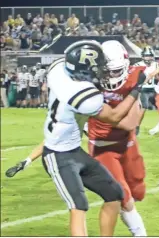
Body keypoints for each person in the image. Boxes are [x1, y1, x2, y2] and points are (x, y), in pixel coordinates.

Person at [6, 40, 142, 236]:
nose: (100, 72)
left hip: (73, 150)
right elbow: (116, 117)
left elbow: (55, 137)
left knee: (115, 193)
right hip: (58, 157)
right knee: (79, 205)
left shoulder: (59, 71)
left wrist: (27, 159)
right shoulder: (83, 95)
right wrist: (136, 89)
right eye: (97, 68)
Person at [87, 40, 147, 236]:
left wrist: (139, 100)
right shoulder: (89, 86)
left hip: (128, 143)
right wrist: (136, 92)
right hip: (103, 147)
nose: (110, 76)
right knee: (124, 196)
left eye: (114, 71)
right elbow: (127, 123)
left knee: (138, 190)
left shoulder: (134, 75)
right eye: (106, 71)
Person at [133, 46, 159, 135]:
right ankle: (136, 126)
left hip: (154, 88)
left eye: (149, 56)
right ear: (142, 56)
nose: (148, 58)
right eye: (146, 56)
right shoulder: (137, 65)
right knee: (144, 107)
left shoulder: (156, 64)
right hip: (143, 89)